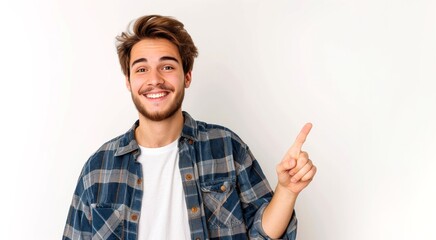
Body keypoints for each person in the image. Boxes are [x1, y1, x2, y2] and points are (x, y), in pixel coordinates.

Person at [63, 15, 316, 240]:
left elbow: (263, 234)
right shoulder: (97, 169)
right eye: (141, 69)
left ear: (187, 76)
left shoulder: (226, 147)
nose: (154, 79)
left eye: (167, 66)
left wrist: (286, 191)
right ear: (128, 81)